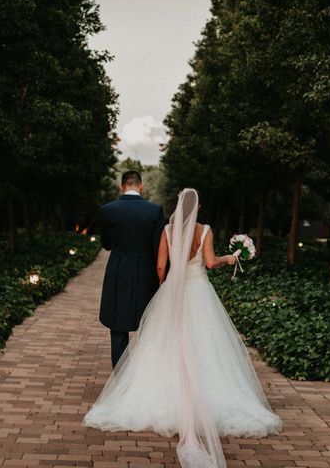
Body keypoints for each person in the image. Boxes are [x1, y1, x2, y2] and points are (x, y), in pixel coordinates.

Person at [84, 188, 282, 468]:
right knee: (205, 345)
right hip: (199, 291)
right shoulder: (206, 231)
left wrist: (164, 287)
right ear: (198, 207)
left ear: (178, 205)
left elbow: (161, 265)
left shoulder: (167, 230)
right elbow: (211, 263)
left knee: (163, 344)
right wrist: (230, 258)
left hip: (173, 292)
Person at [98, 170, 166, 368]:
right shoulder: (155, 211)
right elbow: (157, 247)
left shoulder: (107, 210)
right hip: (146, 274)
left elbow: (107, 244)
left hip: (118, 273)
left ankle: (120, 379)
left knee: (118, 327)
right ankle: (143, 375)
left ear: (122, 186)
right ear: (141, 186)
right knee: (147, 325)